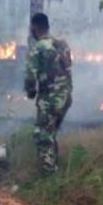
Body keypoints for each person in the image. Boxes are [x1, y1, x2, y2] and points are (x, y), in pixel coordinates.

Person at [24, 13, 73, 173]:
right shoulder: (62, 44)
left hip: (50, 100)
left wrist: (31, 92)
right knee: (51, 132)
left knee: (42, 135)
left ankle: (48, 174)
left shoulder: (37, 48)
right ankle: (55, 165)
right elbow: (67, 67)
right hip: (66, 97)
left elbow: (30, 77)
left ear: (34, 27)